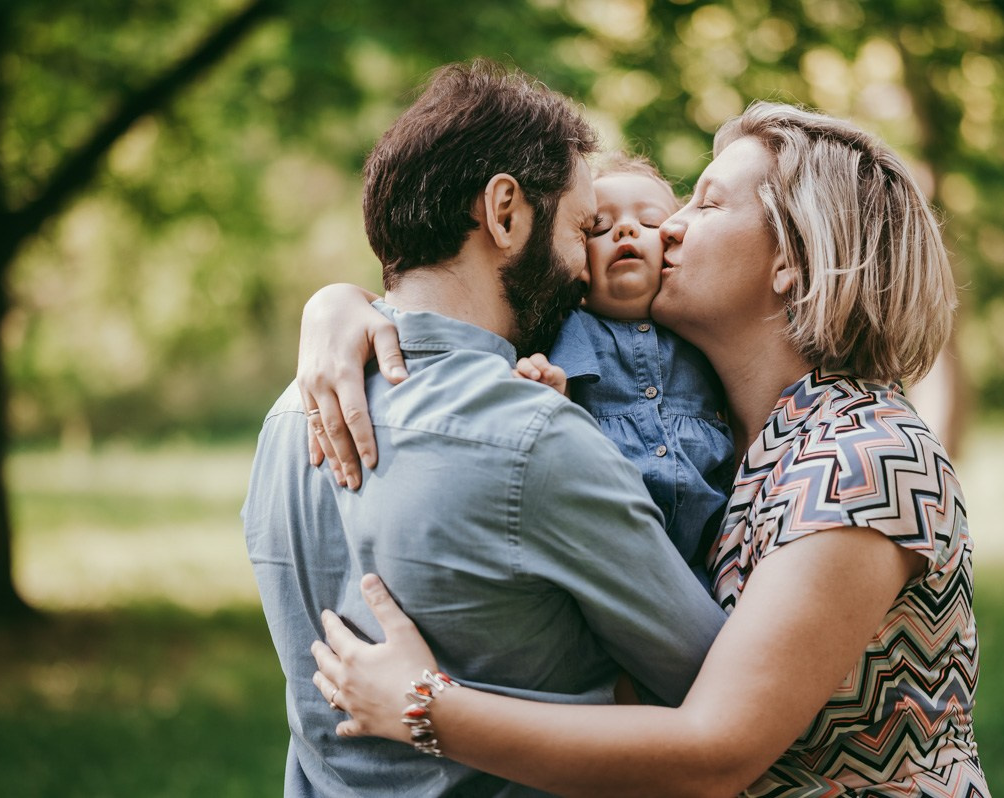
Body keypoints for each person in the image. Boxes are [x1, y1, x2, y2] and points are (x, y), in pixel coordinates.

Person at [299, 101, 990, 797]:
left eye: (706, 204)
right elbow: (465, 294)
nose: (671, 227)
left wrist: (426, 709)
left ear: (792, 258)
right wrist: (339, 305)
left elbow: (715, 751)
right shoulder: (717, 432)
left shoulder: (863, 455)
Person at [242, 60, 727, 798]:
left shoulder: (290, 415)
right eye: (581, 227)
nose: (581, 266)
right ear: (506, 212)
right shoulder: (535, 438)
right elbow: (709, 681)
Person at [515, 152, 735, 581]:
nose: (626, 229)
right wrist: (552, 394)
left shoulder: (703, 333)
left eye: (651, 223)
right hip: (601, 560)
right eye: (600, 228)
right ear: (576, 267)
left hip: (703, 568)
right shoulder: (564, 329)